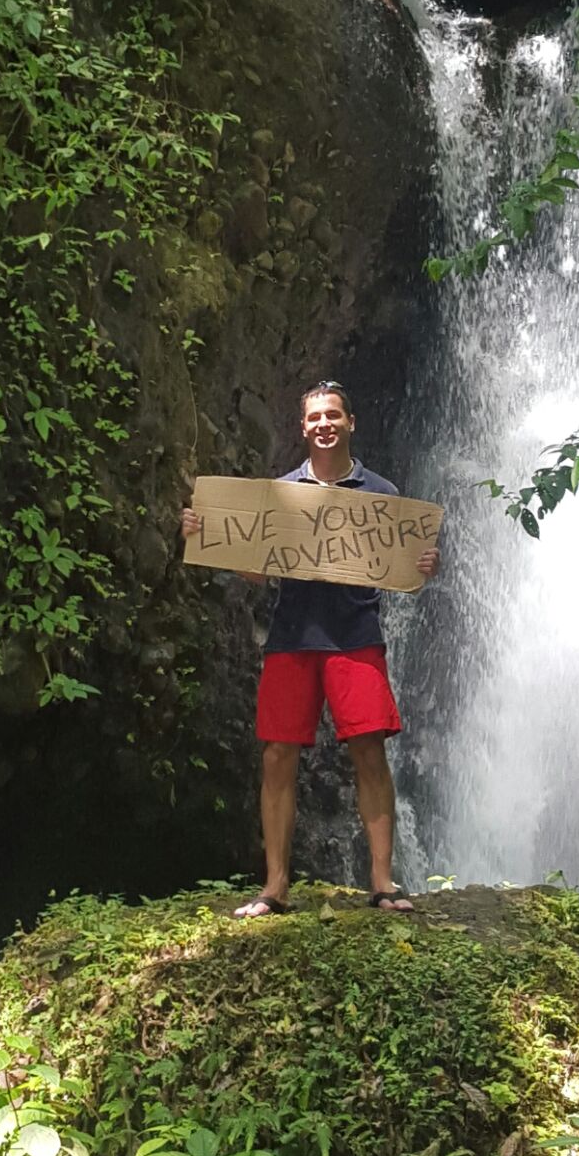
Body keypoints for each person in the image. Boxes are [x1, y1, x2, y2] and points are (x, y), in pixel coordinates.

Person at [181, 381, 440, 917]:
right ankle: (274, 887)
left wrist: (423, 567)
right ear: (302, 428)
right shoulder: (278, 496)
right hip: (293, 635)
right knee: (277, 754)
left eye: (333, 416)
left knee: (370, 750)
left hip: (355, 635)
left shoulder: (383, 495)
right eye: (314, 417)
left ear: (350, 423)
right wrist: (206, 532)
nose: (324, 424)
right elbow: (253, 569)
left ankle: (383, 882)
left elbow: (403, 565)